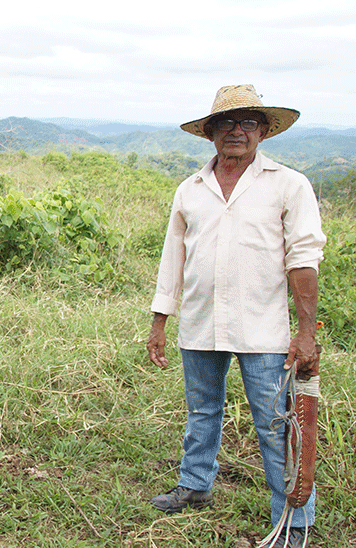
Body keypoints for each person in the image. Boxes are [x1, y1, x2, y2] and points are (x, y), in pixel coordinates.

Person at [146, 84, 326, 548]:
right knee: (202, 410)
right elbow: (173, 258)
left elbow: (303, 260)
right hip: (200, 321)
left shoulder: (288, 185)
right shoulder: (191, 190)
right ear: (210, 133)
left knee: (276, 423)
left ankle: (293, 521)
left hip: (263, 329)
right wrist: (160, 320)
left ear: (264, 132)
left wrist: (306, 332)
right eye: (226, 122)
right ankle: (195, 483)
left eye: (248, 122)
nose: (236, 131)